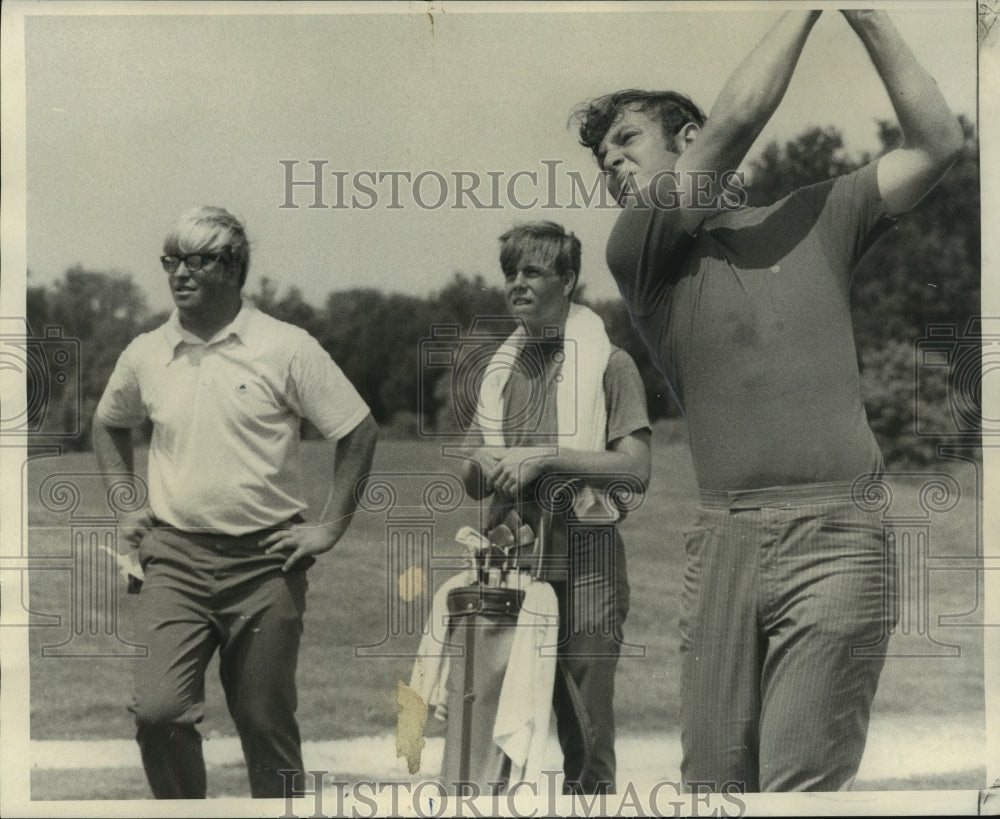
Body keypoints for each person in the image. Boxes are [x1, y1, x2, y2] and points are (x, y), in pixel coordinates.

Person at [572, 10, 963, 793]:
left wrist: (868, 17)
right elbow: (743, 118)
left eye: (628, 141)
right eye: (602, 156)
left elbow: (939, 144)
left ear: (687, 139)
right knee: (714, 789)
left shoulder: (824, 214)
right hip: (724, 545)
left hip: (841, 536)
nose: (611, 162)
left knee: (799, 788)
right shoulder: (640, 250)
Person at [92, 206, 379, 798]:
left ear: (233, 267)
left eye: (197, 259)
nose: (179, 273)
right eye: (171, 260)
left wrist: (328, 529)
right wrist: (126, 502)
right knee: (159, 714)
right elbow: (108, 424)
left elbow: (358, 429)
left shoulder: (286, 346)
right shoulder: (146, 351)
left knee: (265, 724)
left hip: (267, 564)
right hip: (173, 558)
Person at [457, 221, 652, 794]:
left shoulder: (611, 363)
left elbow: (636, 470)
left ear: (567, 280)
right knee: (490, 711)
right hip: (509, 557)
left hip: (586, 556)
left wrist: (544, 458)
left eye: (533, 272)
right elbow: (468, 477)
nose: (517, 284)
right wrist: (486, 461)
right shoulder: (500, 369)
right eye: (510, 273)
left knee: (584, 728)